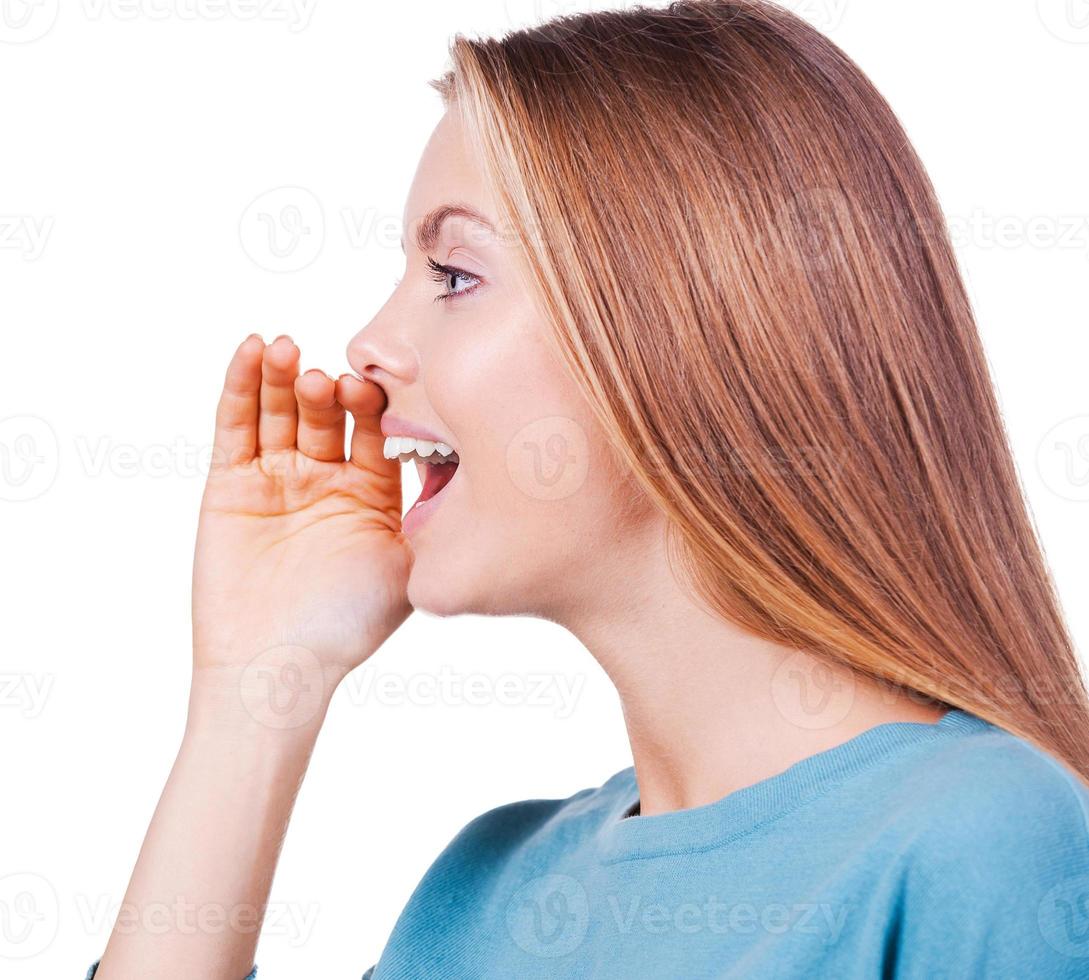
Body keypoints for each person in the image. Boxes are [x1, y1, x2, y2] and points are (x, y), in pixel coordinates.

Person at [93, 2, 1089, 976]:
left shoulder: (984, 840)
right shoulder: (482, 892)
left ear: (684, 328)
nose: (370, 346)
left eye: (453, 274)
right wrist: (254, 696)